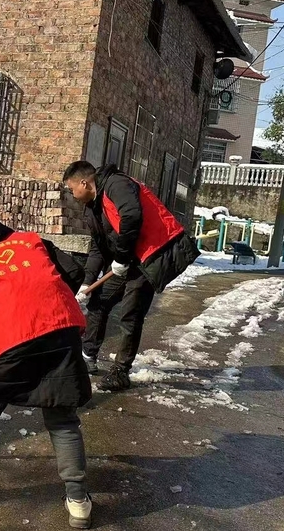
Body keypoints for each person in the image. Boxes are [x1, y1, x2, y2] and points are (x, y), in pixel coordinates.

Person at [0, 208, 94, 529]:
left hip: (9, 340)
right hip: (60, 327)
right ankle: (78, 501)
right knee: (62, 416)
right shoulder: (31, 241)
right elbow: (74, 272)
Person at [62, 160, 200, 392]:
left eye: (72, 188)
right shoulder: (93, 209)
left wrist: (122, 259)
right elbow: (98, 248)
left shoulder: (117, 184)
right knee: (99, 300)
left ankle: (120, 371)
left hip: (151, 256)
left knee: (130, 312)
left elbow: (132, 216)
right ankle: (88, 357)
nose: (72, 194)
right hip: (129, 259)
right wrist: (87, 282)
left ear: (84, 183)